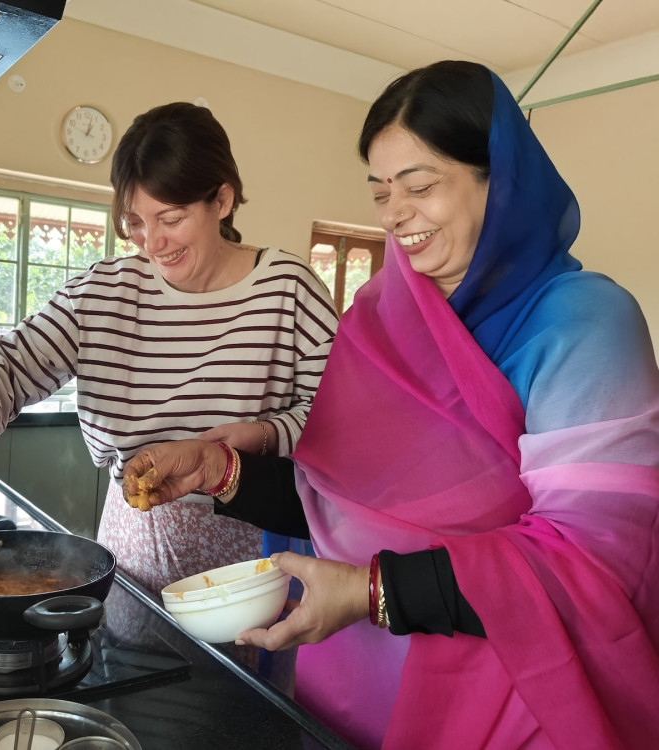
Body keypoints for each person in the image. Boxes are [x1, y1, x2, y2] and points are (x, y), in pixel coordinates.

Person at [121, 61, 659, 748]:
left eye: (420, 186)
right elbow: (339, 502)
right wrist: (220, 472)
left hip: (509, 699)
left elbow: (592, 559)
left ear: (500, 179)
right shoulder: (380, 318)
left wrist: (374, 593)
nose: (395, 213)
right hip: (352, 686)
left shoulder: (584, 325)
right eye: (380, 192)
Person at [0, 101, 338, 596]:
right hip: (133, 543)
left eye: (171, 218)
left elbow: (337, 426)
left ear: (222, 200)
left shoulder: (289, 289)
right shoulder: (104, 293)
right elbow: (4, 361)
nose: (153, 243)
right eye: (135, 222)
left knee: (239, 674)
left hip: (258, 552)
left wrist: (265, 434)